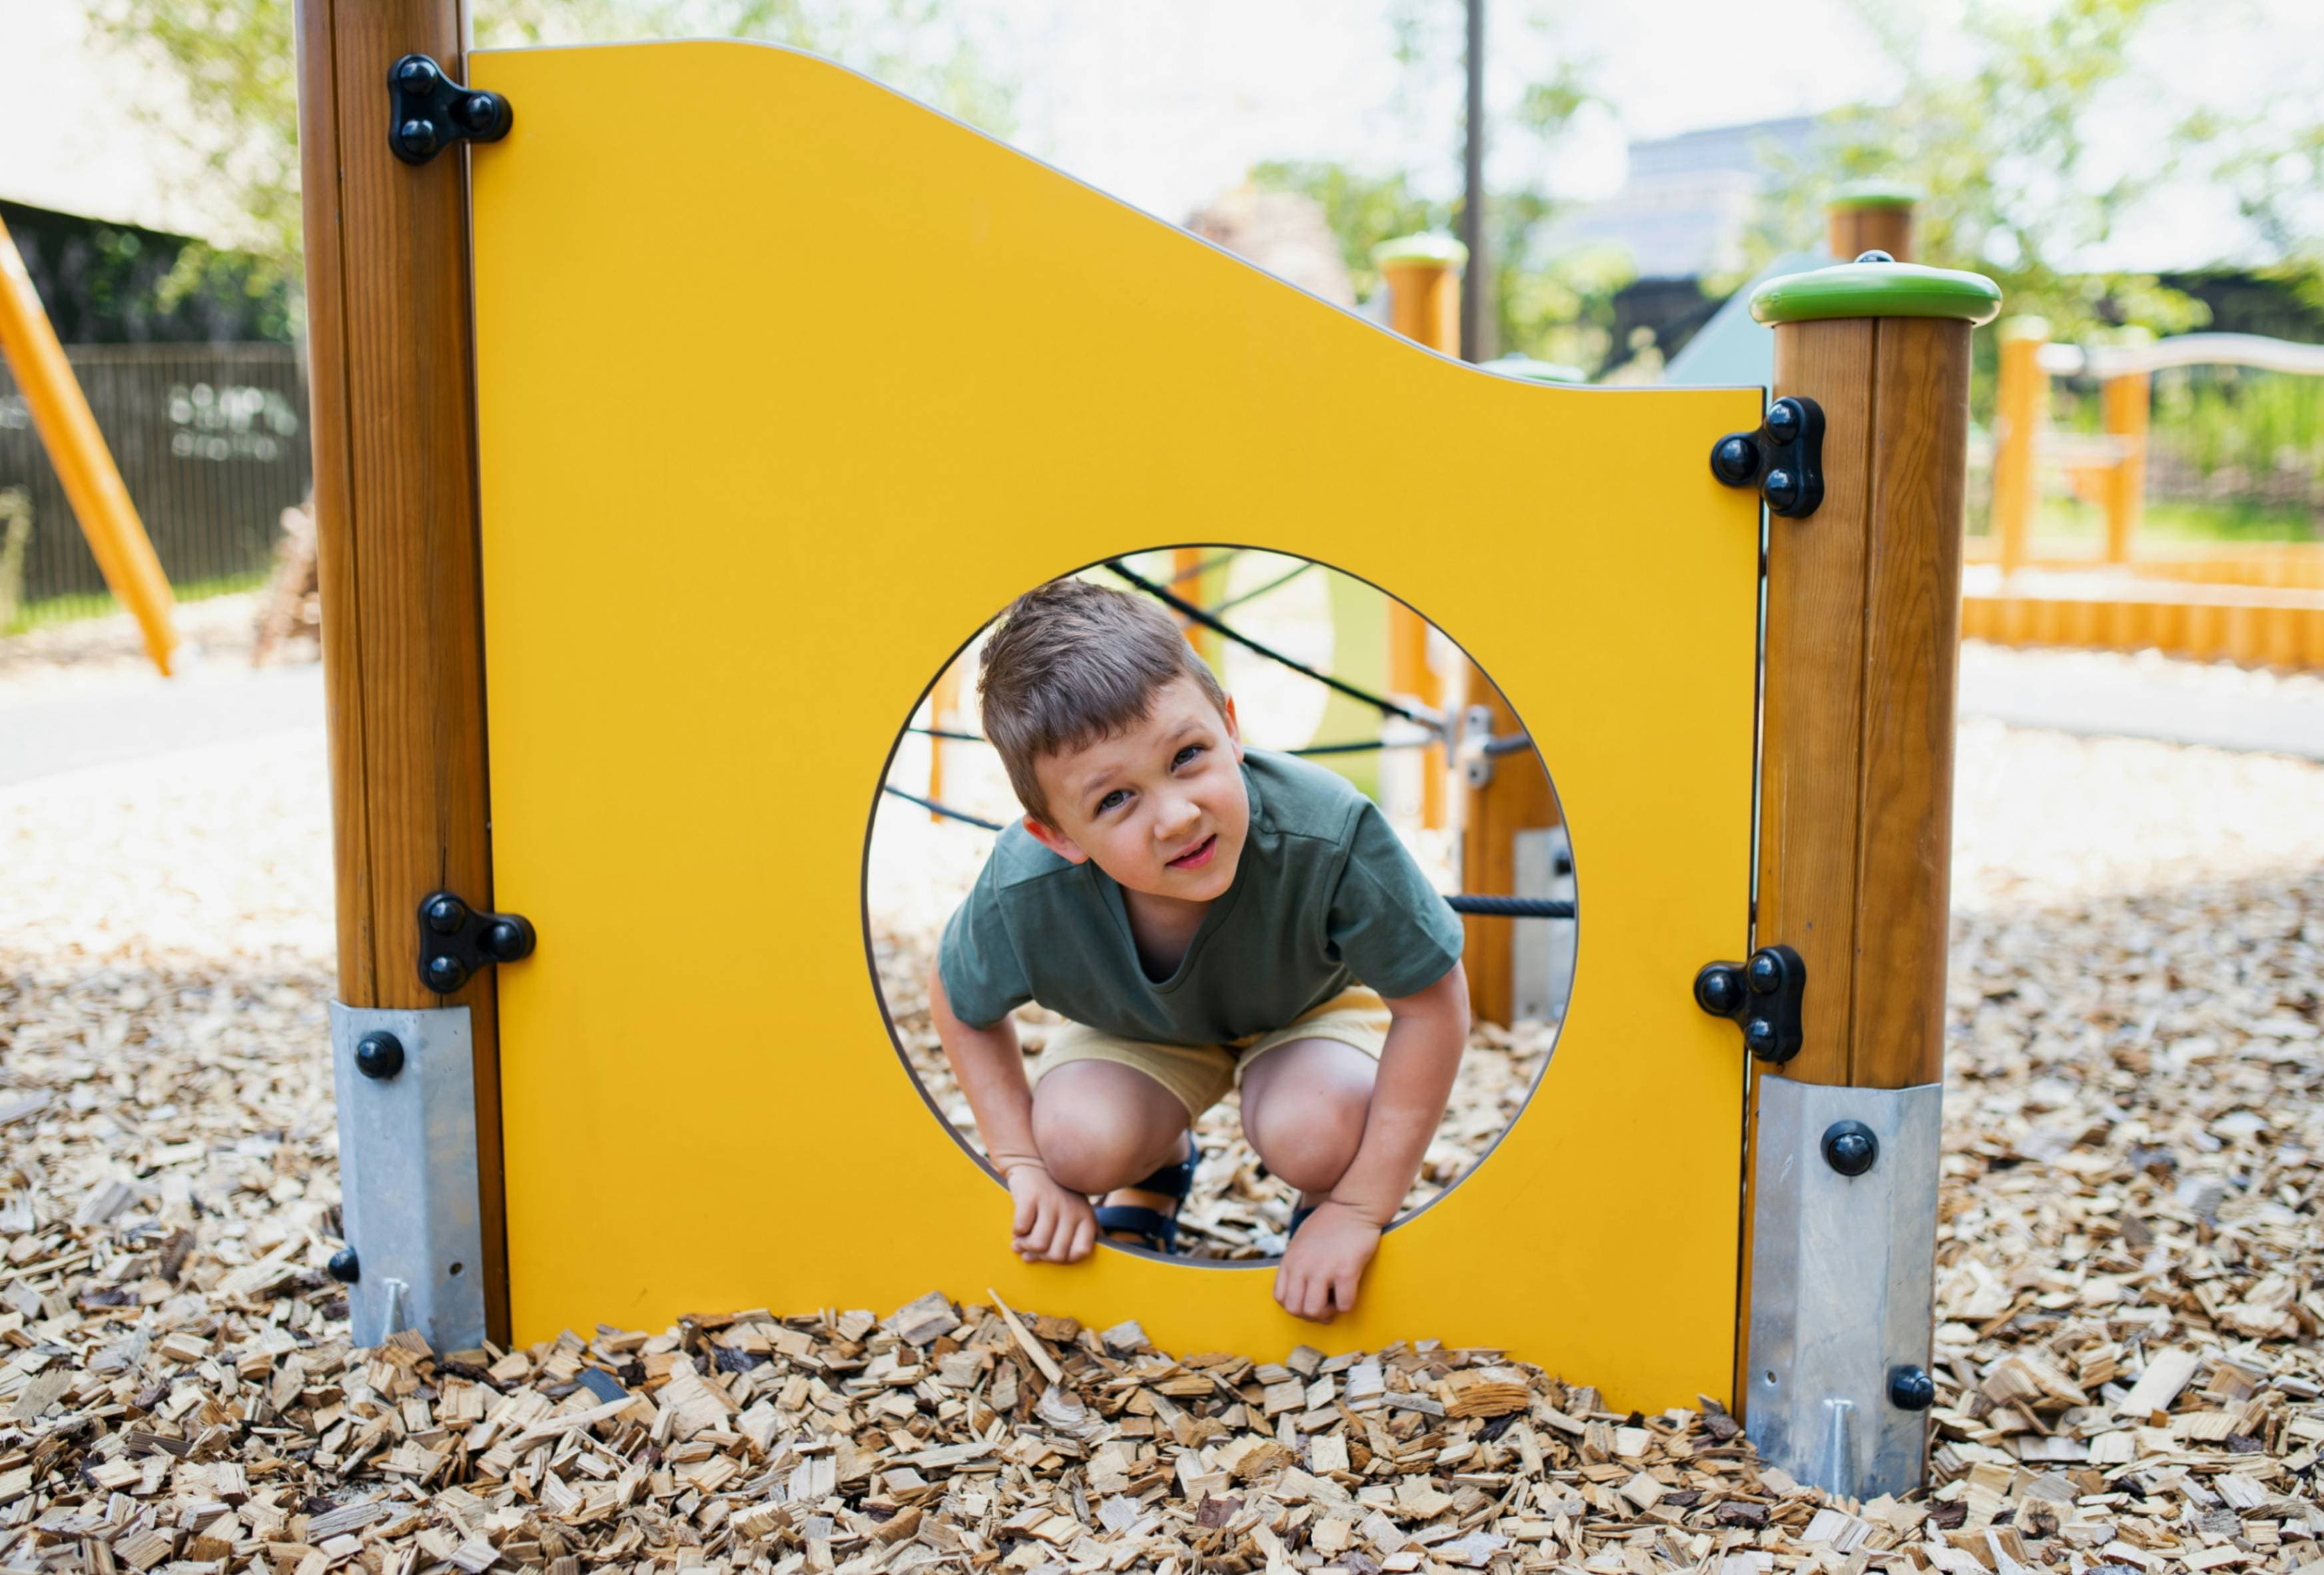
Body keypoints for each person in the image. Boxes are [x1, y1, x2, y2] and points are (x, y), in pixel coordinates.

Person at [927, 575, 1469, 1322]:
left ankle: (1320, 1195)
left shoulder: (1328, 832)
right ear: (1057, 835)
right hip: (1138, 1025)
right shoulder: (1028, 887)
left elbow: (1434, 1001)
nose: (1178, 817)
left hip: (1307, 1006)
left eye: (1187, 755)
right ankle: (1158, 1163)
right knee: (1073, 1145)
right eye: (1115, 799)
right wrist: (1021, 1161)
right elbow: (958, 999)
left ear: (1231, 727)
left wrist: (1357, 1205)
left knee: (1314, 1131)